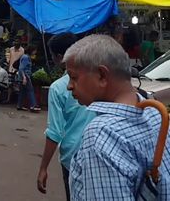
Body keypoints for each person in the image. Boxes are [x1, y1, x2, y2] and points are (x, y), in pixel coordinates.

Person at [64, 35, 170, 200]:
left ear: (102, 75)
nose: (69, 86)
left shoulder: (101, 134)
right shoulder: (154, 113)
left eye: (74, 77)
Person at [37, 33, 95, 200]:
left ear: (61, 57)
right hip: (100, 153)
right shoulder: (98, 78)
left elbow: (54, 132)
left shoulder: (58, 88)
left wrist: (43, 168)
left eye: (53, 56)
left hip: (73, 157)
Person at [17, 45, 41, 112]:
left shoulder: (26, 57)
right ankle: (33, 105)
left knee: (22, 92)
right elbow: (21, 68)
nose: (35, 52)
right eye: (35, 50)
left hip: (22, 76)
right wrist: (24, 77)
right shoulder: (26, 57)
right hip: (25, 76)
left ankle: (20, 105)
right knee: (30, 91)